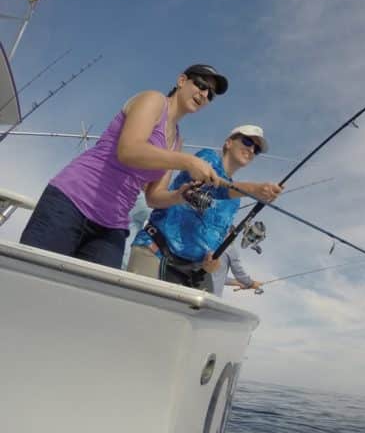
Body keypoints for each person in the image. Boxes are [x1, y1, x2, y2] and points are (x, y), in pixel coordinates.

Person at [19, 64, 227, 268]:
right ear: (182, 81)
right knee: (29, 282)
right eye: (201, 85)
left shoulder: (177, 140)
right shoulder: (153, 100)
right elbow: (129, 150)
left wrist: (180, 195)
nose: (204, 94)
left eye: (210, 94)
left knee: (94, 298)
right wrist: (188, 161)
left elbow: (153, 196)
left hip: (112, 224)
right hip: (71, 202)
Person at [127, 124, 281, 292]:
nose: (251, 149)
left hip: (192, 272)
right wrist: (254, 190)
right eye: (247, 141)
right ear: (228, 143)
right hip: (155, 252)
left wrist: (211, 263)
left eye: (256, 149)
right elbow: (215, 186)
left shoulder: (235, 201)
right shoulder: (206, 159)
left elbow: (216, 238)